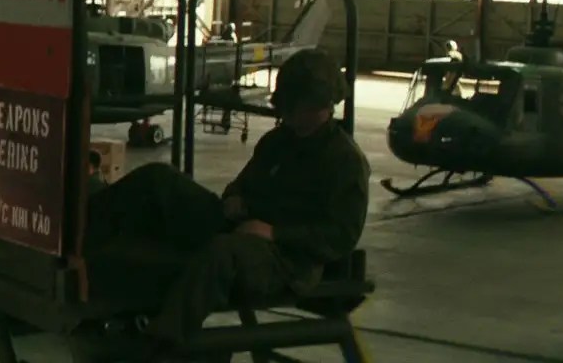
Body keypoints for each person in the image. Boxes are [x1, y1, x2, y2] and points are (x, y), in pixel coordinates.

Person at [84, 49, 368, 350]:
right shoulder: (277, 142)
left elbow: (341, 235)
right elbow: (241, 184)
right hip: (242, 226)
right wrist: (235, 198)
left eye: (292, 106)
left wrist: (274, 233)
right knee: (159, 181)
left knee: (223, 254)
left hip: (288, 260)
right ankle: (79, 244)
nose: (284, 114)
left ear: (317, 105)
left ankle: (161, 341)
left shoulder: (344, 161)